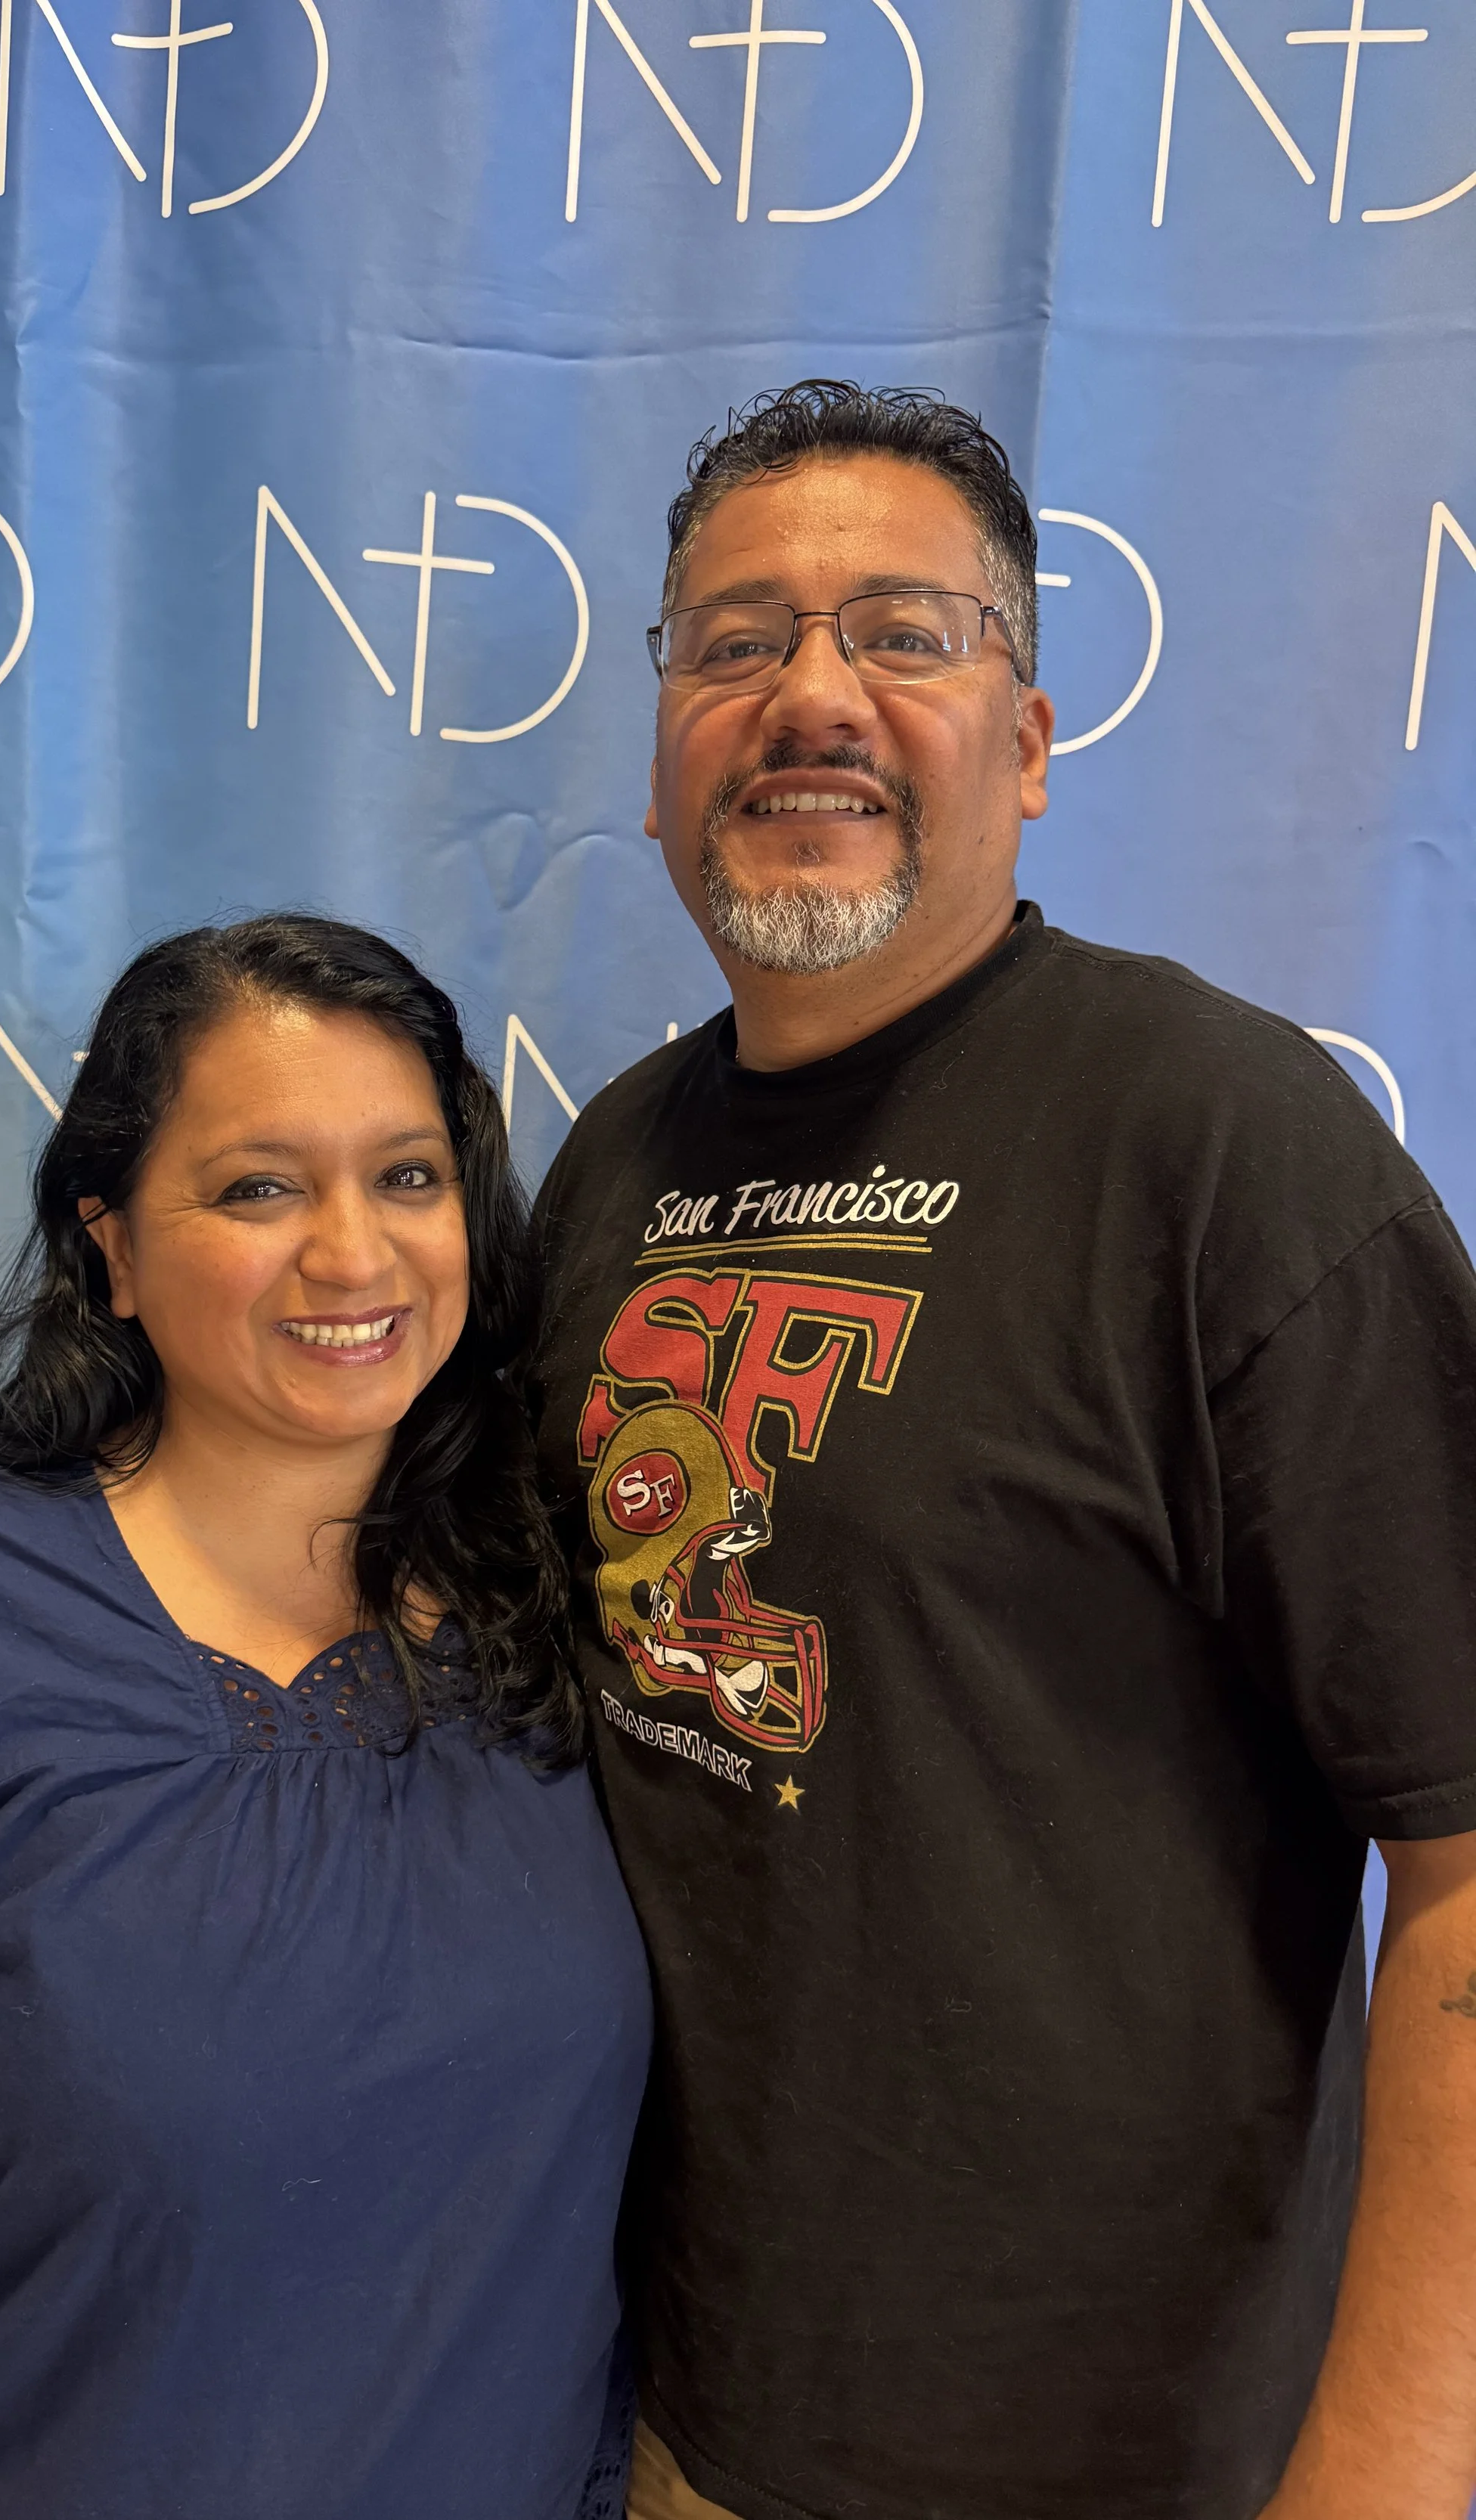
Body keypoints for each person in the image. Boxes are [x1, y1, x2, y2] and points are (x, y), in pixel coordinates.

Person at [524, 383, 1476, 2520]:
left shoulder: (1221, 1152)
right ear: (662, 752)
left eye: (902, 633)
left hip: (1118, 2460)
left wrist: (1384, 2476)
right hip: (673, 2422)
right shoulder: (612, 1170)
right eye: (736, 641)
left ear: (1026, 743)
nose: (811, 696)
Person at [0, 916, 652, 2520]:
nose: (352, 1254)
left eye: (407, 1177)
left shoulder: (558, 1614)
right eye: (258, 1188)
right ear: (113, 1248)